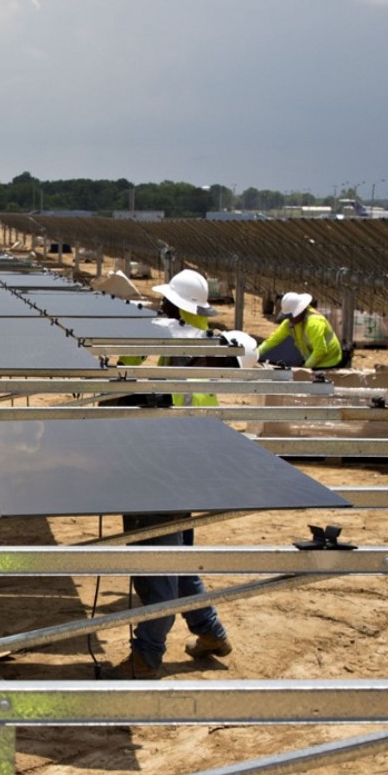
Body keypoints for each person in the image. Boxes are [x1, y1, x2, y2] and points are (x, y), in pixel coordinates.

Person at [107, 269, 234, 679]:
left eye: (163, 302)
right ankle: (210, 632)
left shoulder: (168, 335)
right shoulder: (204, 341)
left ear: (171, 304)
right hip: (193, 462)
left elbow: (125, 362)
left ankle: (147, 655)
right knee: (178, 557)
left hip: (162, 463)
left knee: (154, 560)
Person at [255, 291, 344, 371]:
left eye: (291, 316)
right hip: (312, 358)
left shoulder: (313, 323)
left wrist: (304, 369)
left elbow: (320, 350)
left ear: (300, 311)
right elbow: (272, 341)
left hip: (329, 361)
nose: (290, 320)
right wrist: (255, 354)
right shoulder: (290, 323)